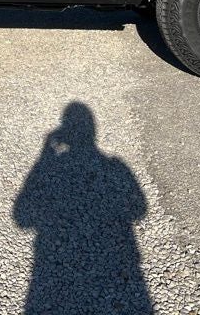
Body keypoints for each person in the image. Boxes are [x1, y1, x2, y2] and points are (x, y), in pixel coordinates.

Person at [13, 102, 152, 314]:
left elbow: (22, 217)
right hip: (121, 261)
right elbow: (139, 210)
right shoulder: (115, 166)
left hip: (50, 267)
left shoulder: (52, 164)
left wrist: (45, 154)